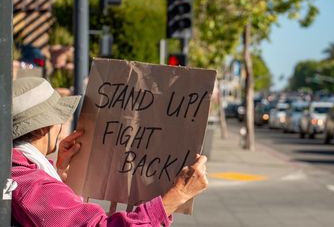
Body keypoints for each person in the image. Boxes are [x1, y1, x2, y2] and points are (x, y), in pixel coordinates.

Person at [11, 77, 208, 226]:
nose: (61, 124)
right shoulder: (29, 182)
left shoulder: (20, 170)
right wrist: (178, 194)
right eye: (57, 119)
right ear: (41, 129)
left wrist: (59, 172)